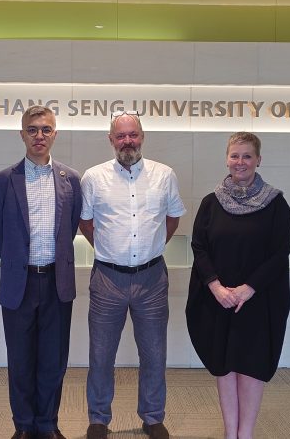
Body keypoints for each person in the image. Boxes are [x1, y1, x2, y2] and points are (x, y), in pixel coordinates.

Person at [79, 111, 186, 439]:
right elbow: (85, 222)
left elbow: (172, 218)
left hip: (152, 279)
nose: (128, 141)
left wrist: (151, 249)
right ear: (111, 140)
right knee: (100, 354)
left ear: (142, 136)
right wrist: (112, 250)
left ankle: (152, 417)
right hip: (107, 279)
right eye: (121, 136)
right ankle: (99, 418)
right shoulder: (93, 178)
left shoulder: (164, 175)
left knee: (154, 352)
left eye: (133, 135)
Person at [185, 131, 290, 439]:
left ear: (258, 160)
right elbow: (199, 247)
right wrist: (216, 287)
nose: (240, 162)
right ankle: (230, 433)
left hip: (258, 301)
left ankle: (245, 434)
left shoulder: (276, 203)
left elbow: (280, 251)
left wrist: (249, 288)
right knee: (225, 366)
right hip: (220, 299)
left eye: (247, 156)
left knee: (250, 367)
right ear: (226, 159)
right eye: (235, 155)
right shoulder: (211, 202)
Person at [0, 105, 82, 439]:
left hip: (57, 282)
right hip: (19, 283)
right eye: (32, 129)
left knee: (53, 361)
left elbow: (68, 230)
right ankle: (24, 426)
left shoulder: (71, 180)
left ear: (55, 133)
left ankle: (48, 424)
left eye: (45, 129)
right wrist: (17, 263)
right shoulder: (2, 181)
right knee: (21, 360)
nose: (39, 136)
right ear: (22, 134)